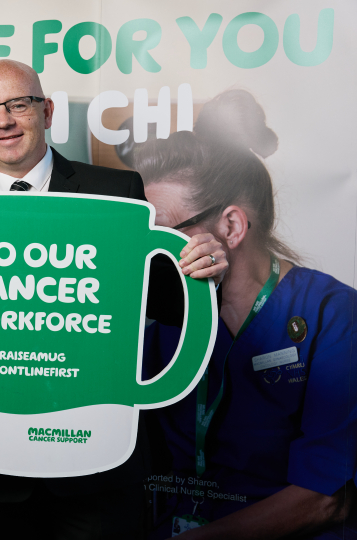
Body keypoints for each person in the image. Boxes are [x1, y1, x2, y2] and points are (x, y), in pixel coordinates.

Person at [0, 59, 228, 540]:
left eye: (17, 104)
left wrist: (203, 268)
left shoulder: (117, 192)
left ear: (46, 112)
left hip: (96, 465)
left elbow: (164, 305)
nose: (3, 121)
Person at [134, 89, 356, 539]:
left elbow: (325, 499)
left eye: (162, 233)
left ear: (231, 227)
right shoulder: (156, 315)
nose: (147, 250)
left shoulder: (333, 315)